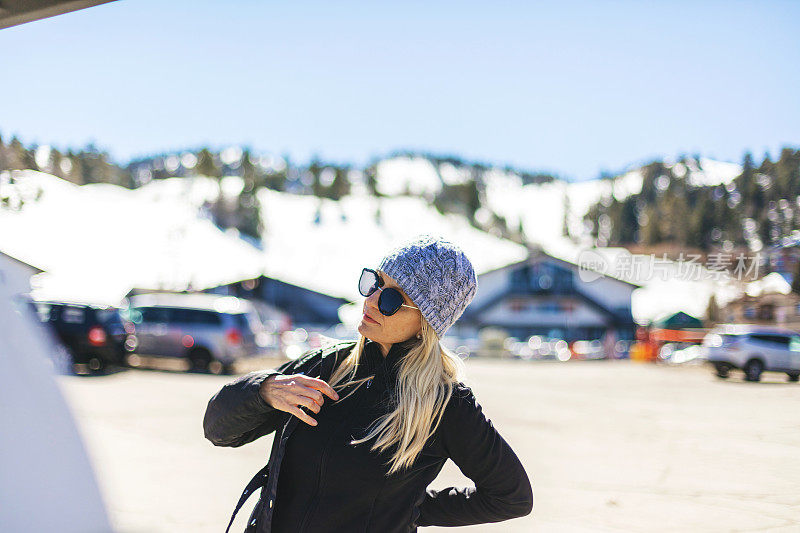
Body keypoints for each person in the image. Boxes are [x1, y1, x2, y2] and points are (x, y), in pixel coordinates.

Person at [203, 234, 534, 532]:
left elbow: (511, 496)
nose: (371, 300)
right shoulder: (326, 366)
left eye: (392, 299)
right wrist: (263, 391)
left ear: (427, 321)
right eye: (374, 284)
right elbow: (217, 429)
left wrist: (414, 510)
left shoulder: (443, 402)